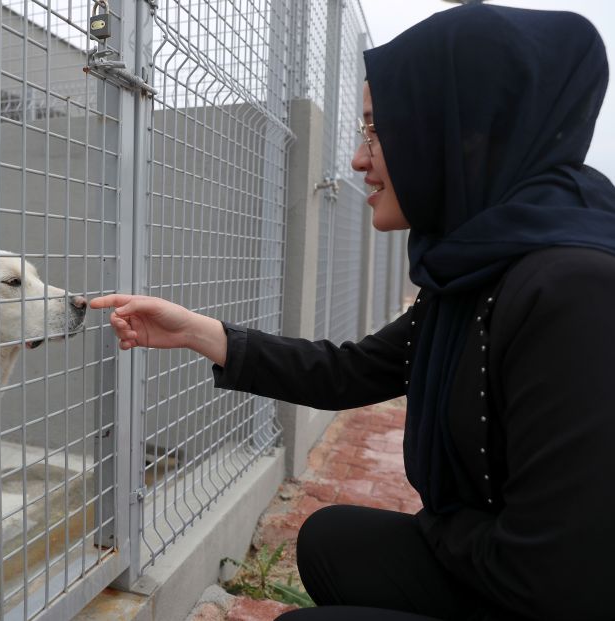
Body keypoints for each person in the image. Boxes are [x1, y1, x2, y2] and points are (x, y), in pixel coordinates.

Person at [91, 5, 615, 620]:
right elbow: (355, 370)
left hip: (552, 597)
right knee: (330, 540)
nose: (358, 161)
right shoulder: (479, 266)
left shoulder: (576, 292)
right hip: (499, 562)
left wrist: (443, 527)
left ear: (461, 132)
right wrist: (198, 333)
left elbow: (559, 579)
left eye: (376, 130)